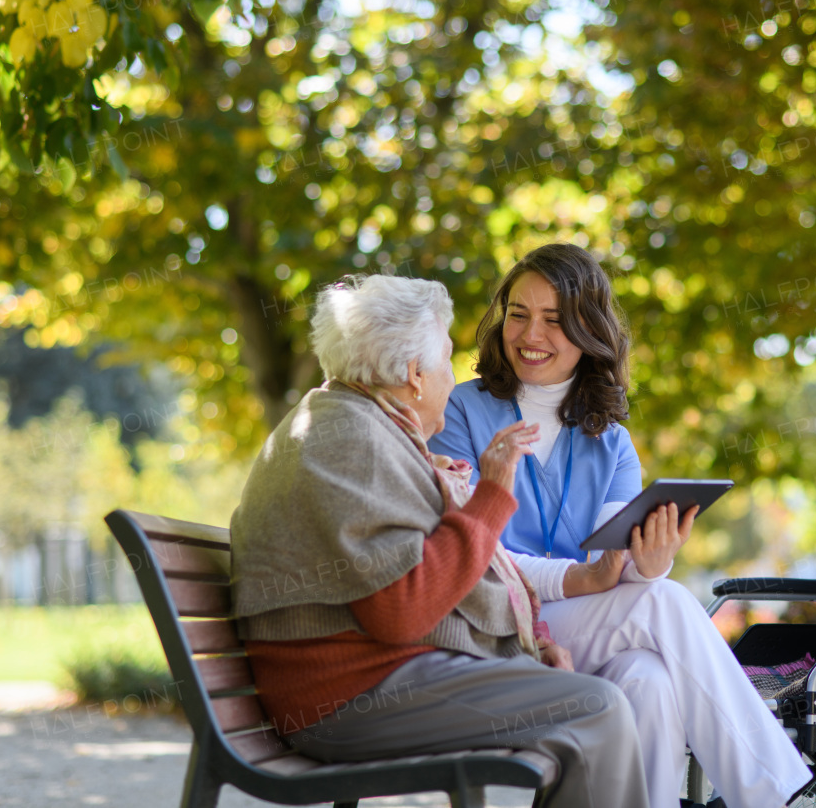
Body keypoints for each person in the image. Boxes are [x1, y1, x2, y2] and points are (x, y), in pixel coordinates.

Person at [228, 273, 649, 808]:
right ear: (415, 376)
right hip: (350, 698)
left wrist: (535, 640)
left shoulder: (360, 426)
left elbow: (432, 575)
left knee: (598, 704)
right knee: (596, 708)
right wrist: (492, 497)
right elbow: (402, 611)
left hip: (374, 679)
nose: (456, 379)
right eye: (449, 360)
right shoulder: (353, 442)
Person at [429, 244, 812, 808]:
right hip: (493, 630)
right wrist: (586, 580)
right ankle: (775, 795)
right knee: (664, 604)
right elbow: (476, 557)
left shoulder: (610, 440)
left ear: (588, 331)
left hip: (573, 634)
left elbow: (614, 565)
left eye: (555, 320)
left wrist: (648, 562)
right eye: (518, 313)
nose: (530, 333)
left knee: (650, 679)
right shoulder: (460, 412)